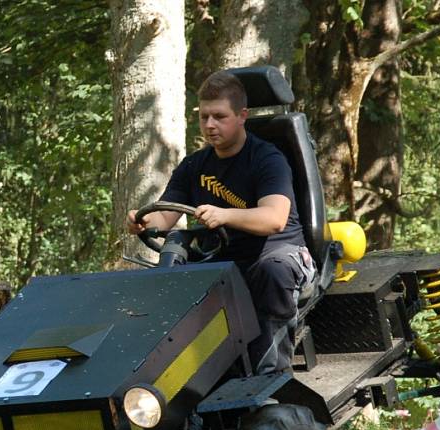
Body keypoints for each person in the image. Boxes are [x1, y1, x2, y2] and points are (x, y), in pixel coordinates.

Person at [125, 70, 315, 374]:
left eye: (219, 117)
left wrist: (225, 214)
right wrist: (141, 220)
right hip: (223, 260)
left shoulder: (268, 158)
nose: (210, 125)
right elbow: (165, 215)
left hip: (279, 256)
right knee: (175, 281)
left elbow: (275, 218)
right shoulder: (194, 166)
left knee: (272, 269)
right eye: (204, 117)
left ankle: (273, 375)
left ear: (242, 116)